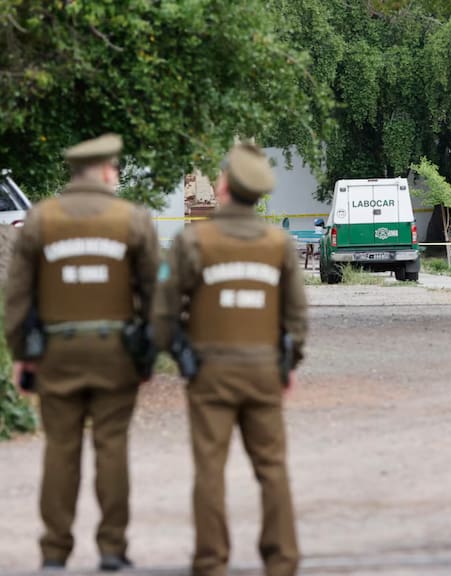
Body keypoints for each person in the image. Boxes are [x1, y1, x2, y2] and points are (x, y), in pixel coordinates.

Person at [3, 134, 159, 571]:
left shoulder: (40, 221)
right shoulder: (133, 219)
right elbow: (152, 294)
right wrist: (147, 351)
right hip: (116, 354)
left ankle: (54, 552)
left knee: (60, 451)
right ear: (107, 171)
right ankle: (112, 549)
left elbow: (18, 297)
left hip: (56, 354)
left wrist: (22, 353)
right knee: (112, 449)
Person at [153, 142, 308, 576]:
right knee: (272, 468)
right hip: (263, 370)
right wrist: (287, 364)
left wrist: (178, 354)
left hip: (209, 371)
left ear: (223, 186)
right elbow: (296, 315)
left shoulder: (192, 240)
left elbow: (164, 312)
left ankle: (211, 562)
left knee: (210, 470)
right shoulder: (279, 243)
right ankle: (281, 561)